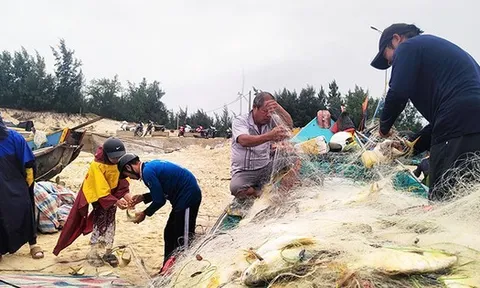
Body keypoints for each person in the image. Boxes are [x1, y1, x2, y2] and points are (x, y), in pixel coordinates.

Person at [370, 23, 480, 201]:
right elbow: (445, 119)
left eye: (390, 59)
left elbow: (397, 92)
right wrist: (410, 146)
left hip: (457, 126)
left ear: (396, 39)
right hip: (469, 129)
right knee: (470, 200)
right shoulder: (450, 59)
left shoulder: (407, 47)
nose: (392, 64)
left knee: (444, 203)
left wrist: (384, 128)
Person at [53, 138, 131, 267]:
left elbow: (123, 183)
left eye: (119, 157)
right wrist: (116, 201)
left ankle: (107, 250)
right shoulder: (97, 165)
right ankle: (94, 251)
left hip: (112, 198)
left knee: (110, 222)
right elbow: (100, 189)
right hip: (99, 198)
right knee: (100, 223)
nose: (117, 160)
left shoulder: (119, 164)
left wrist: (129, 198)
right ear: (106, 155)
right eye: (114, 158)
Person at [117, 153, 202, 271]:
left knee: (183, 237)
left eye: (126, 174)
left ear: (128, 168)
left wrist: (144, 213)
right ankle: (167, 268)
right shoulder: (149, 168)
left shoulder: (147, 173)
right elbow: (162, 190)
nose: (129, 178)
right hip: (180, 199)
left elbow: (160, 200)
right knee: (169, 232)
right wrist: (143, 197)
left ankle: (184, 269)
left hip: (188, 197)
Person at [230, 92, 293, 199]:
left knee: (294, 160)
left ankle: (282, 194)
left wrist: (278, 108)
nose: (268, 115)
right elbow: (243, 140)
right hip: (245, 171)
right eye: (265, 111)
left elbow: (289, 125)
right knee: (236, 188)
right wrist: (269, 136)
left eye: (271, 112)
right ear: (255, 108)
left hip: (265, 166)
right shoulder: (240, 121)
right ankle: (260, 194)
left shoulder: (271, 119)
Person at [0, 115, 44, 262]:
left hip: (16, 182)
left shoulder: (14, 138)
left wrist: (29, 182)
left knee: (26, 207)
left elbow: (29, 162)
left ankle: (33, 244)